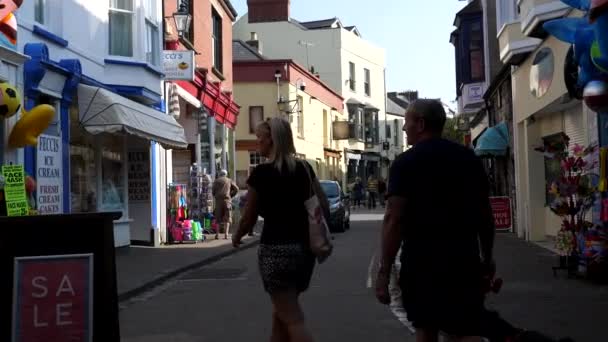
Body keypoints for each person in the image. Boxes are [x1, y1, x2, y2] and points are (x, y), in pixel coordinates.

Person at [375, 99, 495, 342]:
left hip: (421, 266)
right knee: (465, 330)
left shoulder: (405, 164)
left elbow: (394, 220)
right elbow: (485, 215)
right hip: (464, 262)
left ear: (420, 124)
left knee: (426, 329)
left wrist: (384, 271)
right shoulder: (468, 159)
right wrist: (487, 258)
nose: (404, 128)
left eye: (407, 122)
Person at [233, 117, 329, 342]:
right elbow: (322, 204)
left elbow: (249, 217)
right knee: (282, 313)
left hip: (276, 251)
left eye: (260, 138)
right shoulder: (305, 169)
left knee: (292, 318)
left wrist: (237, 235)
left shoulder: (261, 174)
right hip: (305, 252)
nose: (258, 143)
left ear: (272, 140)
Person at [212, 169, 239, 240]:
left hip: (218, 201)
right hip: (227, 200)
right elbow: (236, 189)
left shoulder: (216, 181)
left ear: (220, 174)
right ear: (226, 174)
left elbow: (213, 191)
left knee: (218, 218)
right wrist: (231, 195)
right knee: (227, 218)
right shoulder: (229, 180)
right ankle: (226, 234)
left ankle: (217, 234)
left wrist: (216, 196)